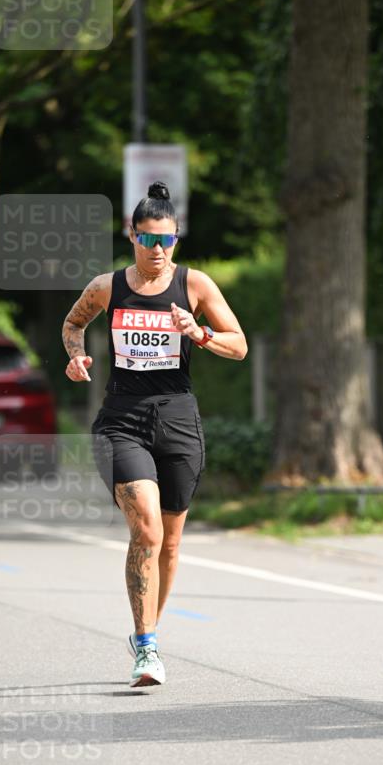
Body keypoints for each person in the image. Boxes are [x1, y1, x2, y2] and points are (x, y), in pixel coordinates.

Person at [62, 181, 247, 688]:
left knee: (168, 544)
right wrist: (75, 356)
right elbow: (73, 323)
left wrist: (200, 333)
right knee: (146, 528)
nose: (158, 250)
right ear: (132, 237)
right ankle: (146, 648)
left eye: (167, 240)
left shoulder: (195, 285)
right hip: (122, 421)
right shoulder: (108, 286)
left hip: (178, 421)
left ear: (177, 239)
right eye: (148, 241)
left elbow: (240, 345)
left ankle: (148, 632)